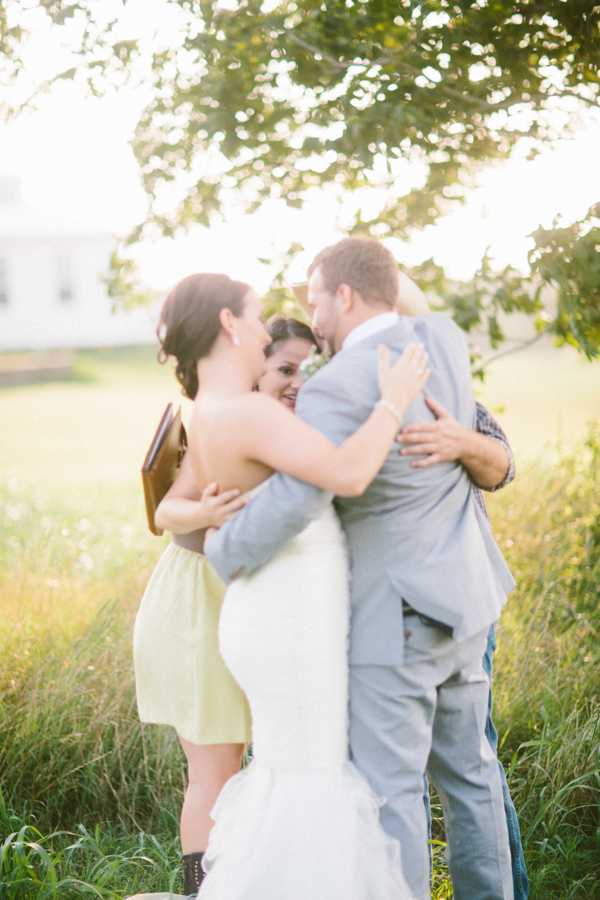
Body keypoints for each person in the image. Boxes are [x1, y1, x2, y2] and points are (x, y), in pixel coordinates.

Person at [206, 238, 517, 900]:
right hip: (467, 599)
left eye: (315, 298)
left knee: (393, 794)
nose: (311, 315)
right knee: (473, 779)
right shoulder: (445, 339)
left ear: (342, 296)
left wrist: (223, 548)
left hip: (396, 621)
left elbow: (298, 497)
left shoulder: (337, 383)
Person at [154, 270, 430, 900]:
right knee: (311, 781)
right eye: (253, 317)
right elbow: (348, 473)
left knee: (294, 776)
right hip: (290, 621)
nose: (261, 331)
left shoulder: (213, 411)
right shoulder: (248, 410)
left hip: (270, 612)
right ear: (228, 323)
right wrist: (394, 399)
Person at [133, 314, 317, 897]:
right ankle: (200, 893)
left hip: (246, 613)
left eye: (311, 371)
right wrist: (209, 514)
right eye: (285, 369)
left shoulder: (292, 427)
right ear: (255, 372)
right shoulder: (230, 422)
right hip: (197, 608)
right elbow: (167, 511)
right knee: (214, 771)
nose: (297, 383)